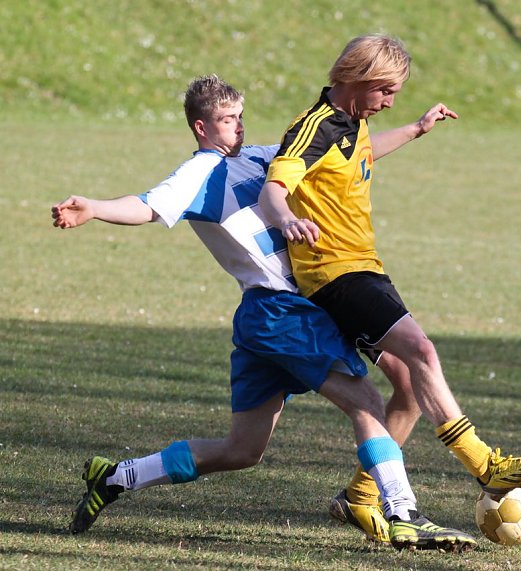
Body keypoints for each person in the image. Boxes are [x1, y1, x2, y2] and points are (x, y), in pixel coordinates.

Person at [51, 74, 476, 552]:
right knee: (366, 403)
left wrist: (415, 129)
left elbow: (344, 153)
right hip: (280, 311)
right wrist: (95, 207)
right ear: (201, 127)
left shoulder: (259, 157)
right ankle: (403, 512)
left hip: (281, 313)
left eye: (240, 116)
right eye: (226, 120)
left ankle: (116, 477)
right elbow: (147, 206)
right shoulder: (199, 174)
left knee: (242, 450)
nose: (238, 126)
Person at [259, 34, 521, 539]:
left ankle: (360, 496)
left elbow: (363, 152)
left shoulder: (352, 122)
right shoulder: (315, 127)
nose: (390, 101)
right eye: (386, 90)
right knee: (422, 350)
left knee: (411, 388)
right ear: (359, 79)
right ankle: (484, 464)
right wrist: (286, 219)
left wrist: (416, 129)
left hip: (362, 268)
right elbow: (274, 187)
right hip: (335, 274)